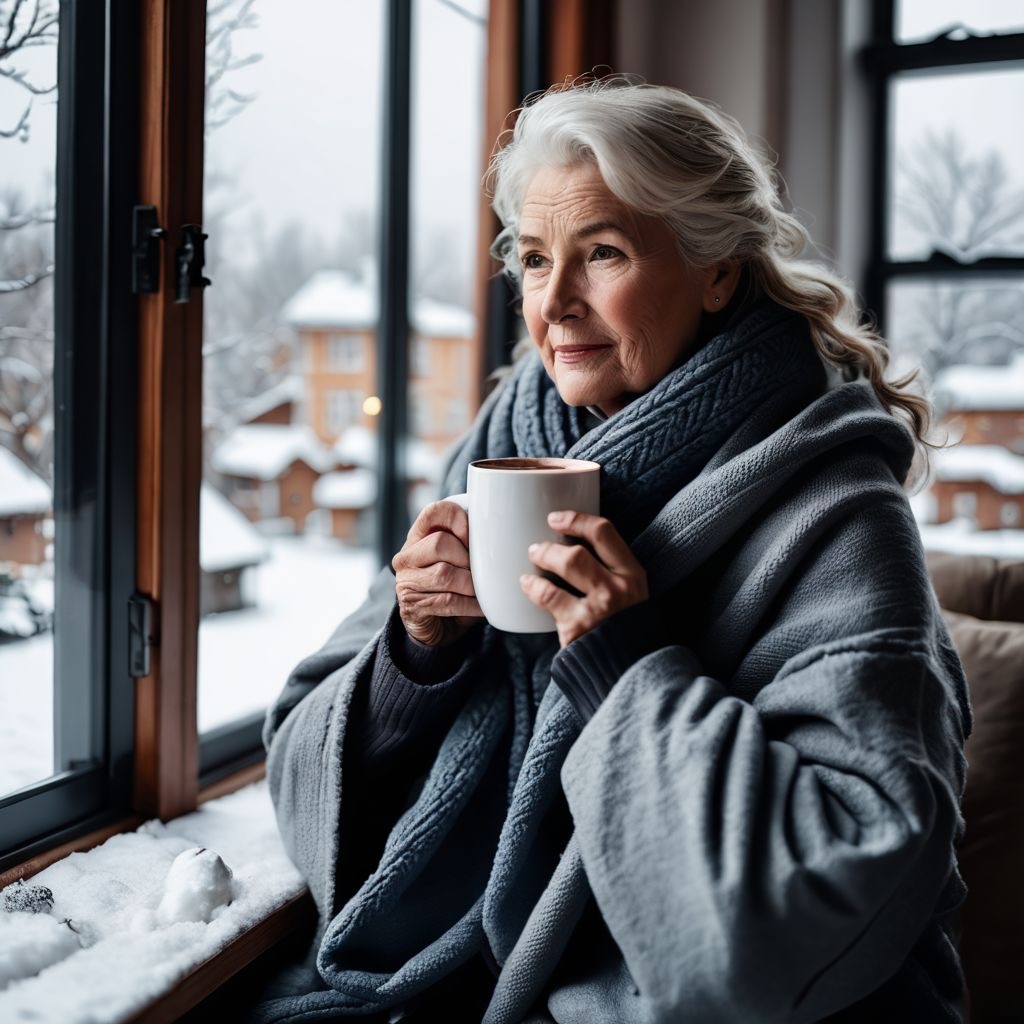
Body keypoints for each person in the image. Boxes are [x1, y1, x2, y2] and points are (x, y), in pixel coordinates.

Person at [249, 78, 970, 1023]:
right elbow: (299, 746)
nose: (554, 302)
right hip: (486, 974)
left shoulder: (837, 510)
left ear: (718, 273)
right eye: (534, 258)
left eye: (603, 253)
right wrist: (416, 656)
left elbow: (844, 877)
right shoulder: (500, 445)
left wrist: (625, 670)